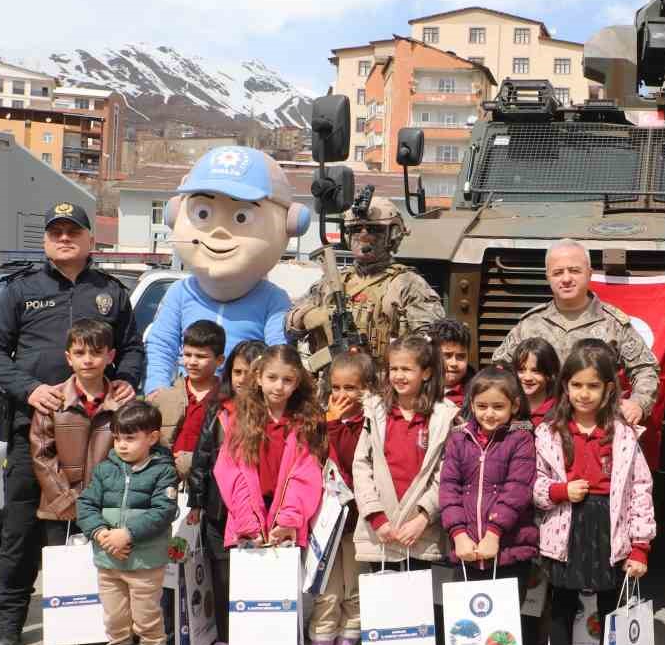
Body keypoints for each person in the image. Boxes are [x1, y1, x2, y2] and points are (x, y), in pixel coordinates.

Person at [0, 202, 144, 645]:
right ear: (46, 240)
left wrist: (127, 384)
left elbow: (131, 349)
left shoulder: (111, 292)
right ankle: (8, 619)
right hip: (32, 428)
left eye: (74, 231)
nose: (64, 238)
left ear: (90, 239)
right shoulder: (21, 290)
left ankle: (84, 625)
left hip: (95, 434)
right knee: (19, 530)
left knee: (84, 529)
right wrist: (29, 390)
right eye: (56, 231)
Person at [535, 341, 656, 645]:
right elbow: (531, 483)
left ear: (608, 389)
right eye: (576, 385)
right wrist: (557, 491)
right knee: (564, 604)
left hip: (609, 529)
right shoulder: (548, 433)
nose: (583, 394)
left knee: (607, 608)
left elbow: (640, 490)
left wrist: (640, 546)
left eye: (592, 386)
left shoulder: (622, 435)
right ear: (565, 387)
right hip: (564, 526)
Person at [352, 335, 461, 645]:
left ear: (426, 372)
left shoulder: (445, 416)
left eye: (407, 369)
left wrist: (424, 516)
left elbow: (447, 472)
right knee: (383, 602)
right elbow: (361, 466)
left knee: (417, 604)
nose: (398, 375)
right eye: (393, 368)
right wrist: (375, 517)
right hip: (380, 527)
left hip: (419, 528)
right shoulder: (376, 411)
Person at [210, 344, 325, 645]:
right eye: (272, 378)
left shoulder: (306, 420)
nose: (279, 387)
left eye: (287, 380)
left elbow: (308, 473)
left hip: (287, 515)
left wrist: (290, 518)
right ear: (258, 378)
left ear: (297, 383)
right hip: (249, 513)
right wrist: (247, 521)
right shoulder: (238, 418)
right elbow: (229, 471)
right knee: (249, 588)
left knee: (282, 590)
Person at [143, 146, 306, 393]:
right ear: (175, 213)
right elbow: (162, 345)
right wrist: (158, 393)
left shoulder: (273, 299)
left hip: (243, 406)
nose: (219, 232)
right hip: (189, 400)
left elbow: (279, 357)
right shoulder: (181, 292)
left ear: (290, 224)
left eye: (242, 217)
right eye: (203, 213)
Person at [29, 318, 133, 645]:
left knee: (101, 574)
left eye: (96, 353)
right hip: (60, 507)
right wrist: (67, 500)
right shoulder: (54, 400)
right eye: (80, 353)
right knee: (63, 573)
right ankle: (63, 642)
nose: (88, 359)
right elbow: (41, 453)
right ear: (68, 358)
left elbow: (128, 452)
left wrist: (105, 501)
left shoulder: (121, 401)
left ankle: (91, 640)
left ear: (110, 356)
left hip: (106, 506)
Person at [438, 366, 538, 645]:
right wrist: (459, 533)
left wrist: (494, 532)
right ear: (471, 405)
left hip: (507, 549)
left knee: (499, 624)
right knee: (466, 623)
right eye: (481, 406)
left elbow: (518, 489)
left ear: (513, 405)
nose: (489, 414)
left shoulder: (522, 440)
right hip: (466, 549)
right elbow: (448, 488)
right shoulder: (459, 439)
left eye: (498, 406)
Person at [76, 400, 180, 645]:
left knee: (147, 618)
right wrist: (100, 533)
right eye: (118, 437)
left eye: (130, 438)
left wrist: (128, 534)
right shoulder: (105, 469)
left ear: (152, 437)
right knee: (115, 619)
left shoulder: (163, 471)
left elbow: (164, 511)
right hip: (108, 561)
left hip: (145, 562)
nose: (121, 445)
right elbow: (86, 504)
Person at [492, 240, 658, 427]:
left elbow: (645, 369)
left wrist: (638, 403)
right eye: (558, 272)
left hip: (596, 430)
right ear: (548, 276)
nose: (566, 279)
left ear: (589, 273)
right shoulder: (529, 324)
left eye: (574, 271)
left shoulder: (613, 324)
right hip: (536, 431)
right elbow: (499, 370)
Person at [286, 191, 444, 372]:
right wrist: (308, 315)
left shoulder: (408, 285)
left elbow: (431, 344)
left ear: (393, 235)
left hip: (383, 385)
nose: (363, 235)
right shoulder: (332, 281)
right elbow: (289, 326)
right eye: (355, 230)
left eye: (374, 230)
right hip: (333, 385)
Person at [185, 338, 266, 645]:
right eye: (238, 372)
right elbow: (202, 456)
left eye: (253, 373)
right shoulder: (220, 408)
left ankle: (251, 643)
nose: (244, 380)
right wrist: (196, 501)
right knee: (220, 576)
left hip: (256, 510)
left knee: (253, 577)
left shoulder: (270, 413)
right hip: (219, 508)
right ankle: (224, 639)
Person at [297, 350, 376, 645]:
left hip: (359, 520)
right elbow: (314, 456)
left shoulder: (370, 422)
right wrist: (327, 422)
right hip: (327, 521)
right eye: (337, 387)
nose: (343, 396)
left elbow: (348, 458)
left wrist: (334, 424)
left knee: (355, 588)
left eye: (352, 388)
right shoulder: (320, 420)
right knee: (326, 590)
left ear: (368, 389)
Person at [148, 319, 227, 479]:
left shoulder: (227, 401)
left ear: (219, 360)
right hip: (165, 482)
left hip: (209, 482)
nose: (192, 362)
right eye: (187, 354)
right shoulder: (164, 397)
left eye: (201, 356)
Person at [511, 337, 560, 428]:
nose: (527, 377)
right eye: (521, 370)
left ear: (550, 373)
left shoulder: (560, 409)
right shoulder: (508, 405)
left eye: (536, 370)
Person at [427, 317, 473, 409]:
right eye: (447, 356)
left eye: (461, 356)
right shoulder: (416, 389)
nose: (454, 363)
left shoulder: (475, 393)